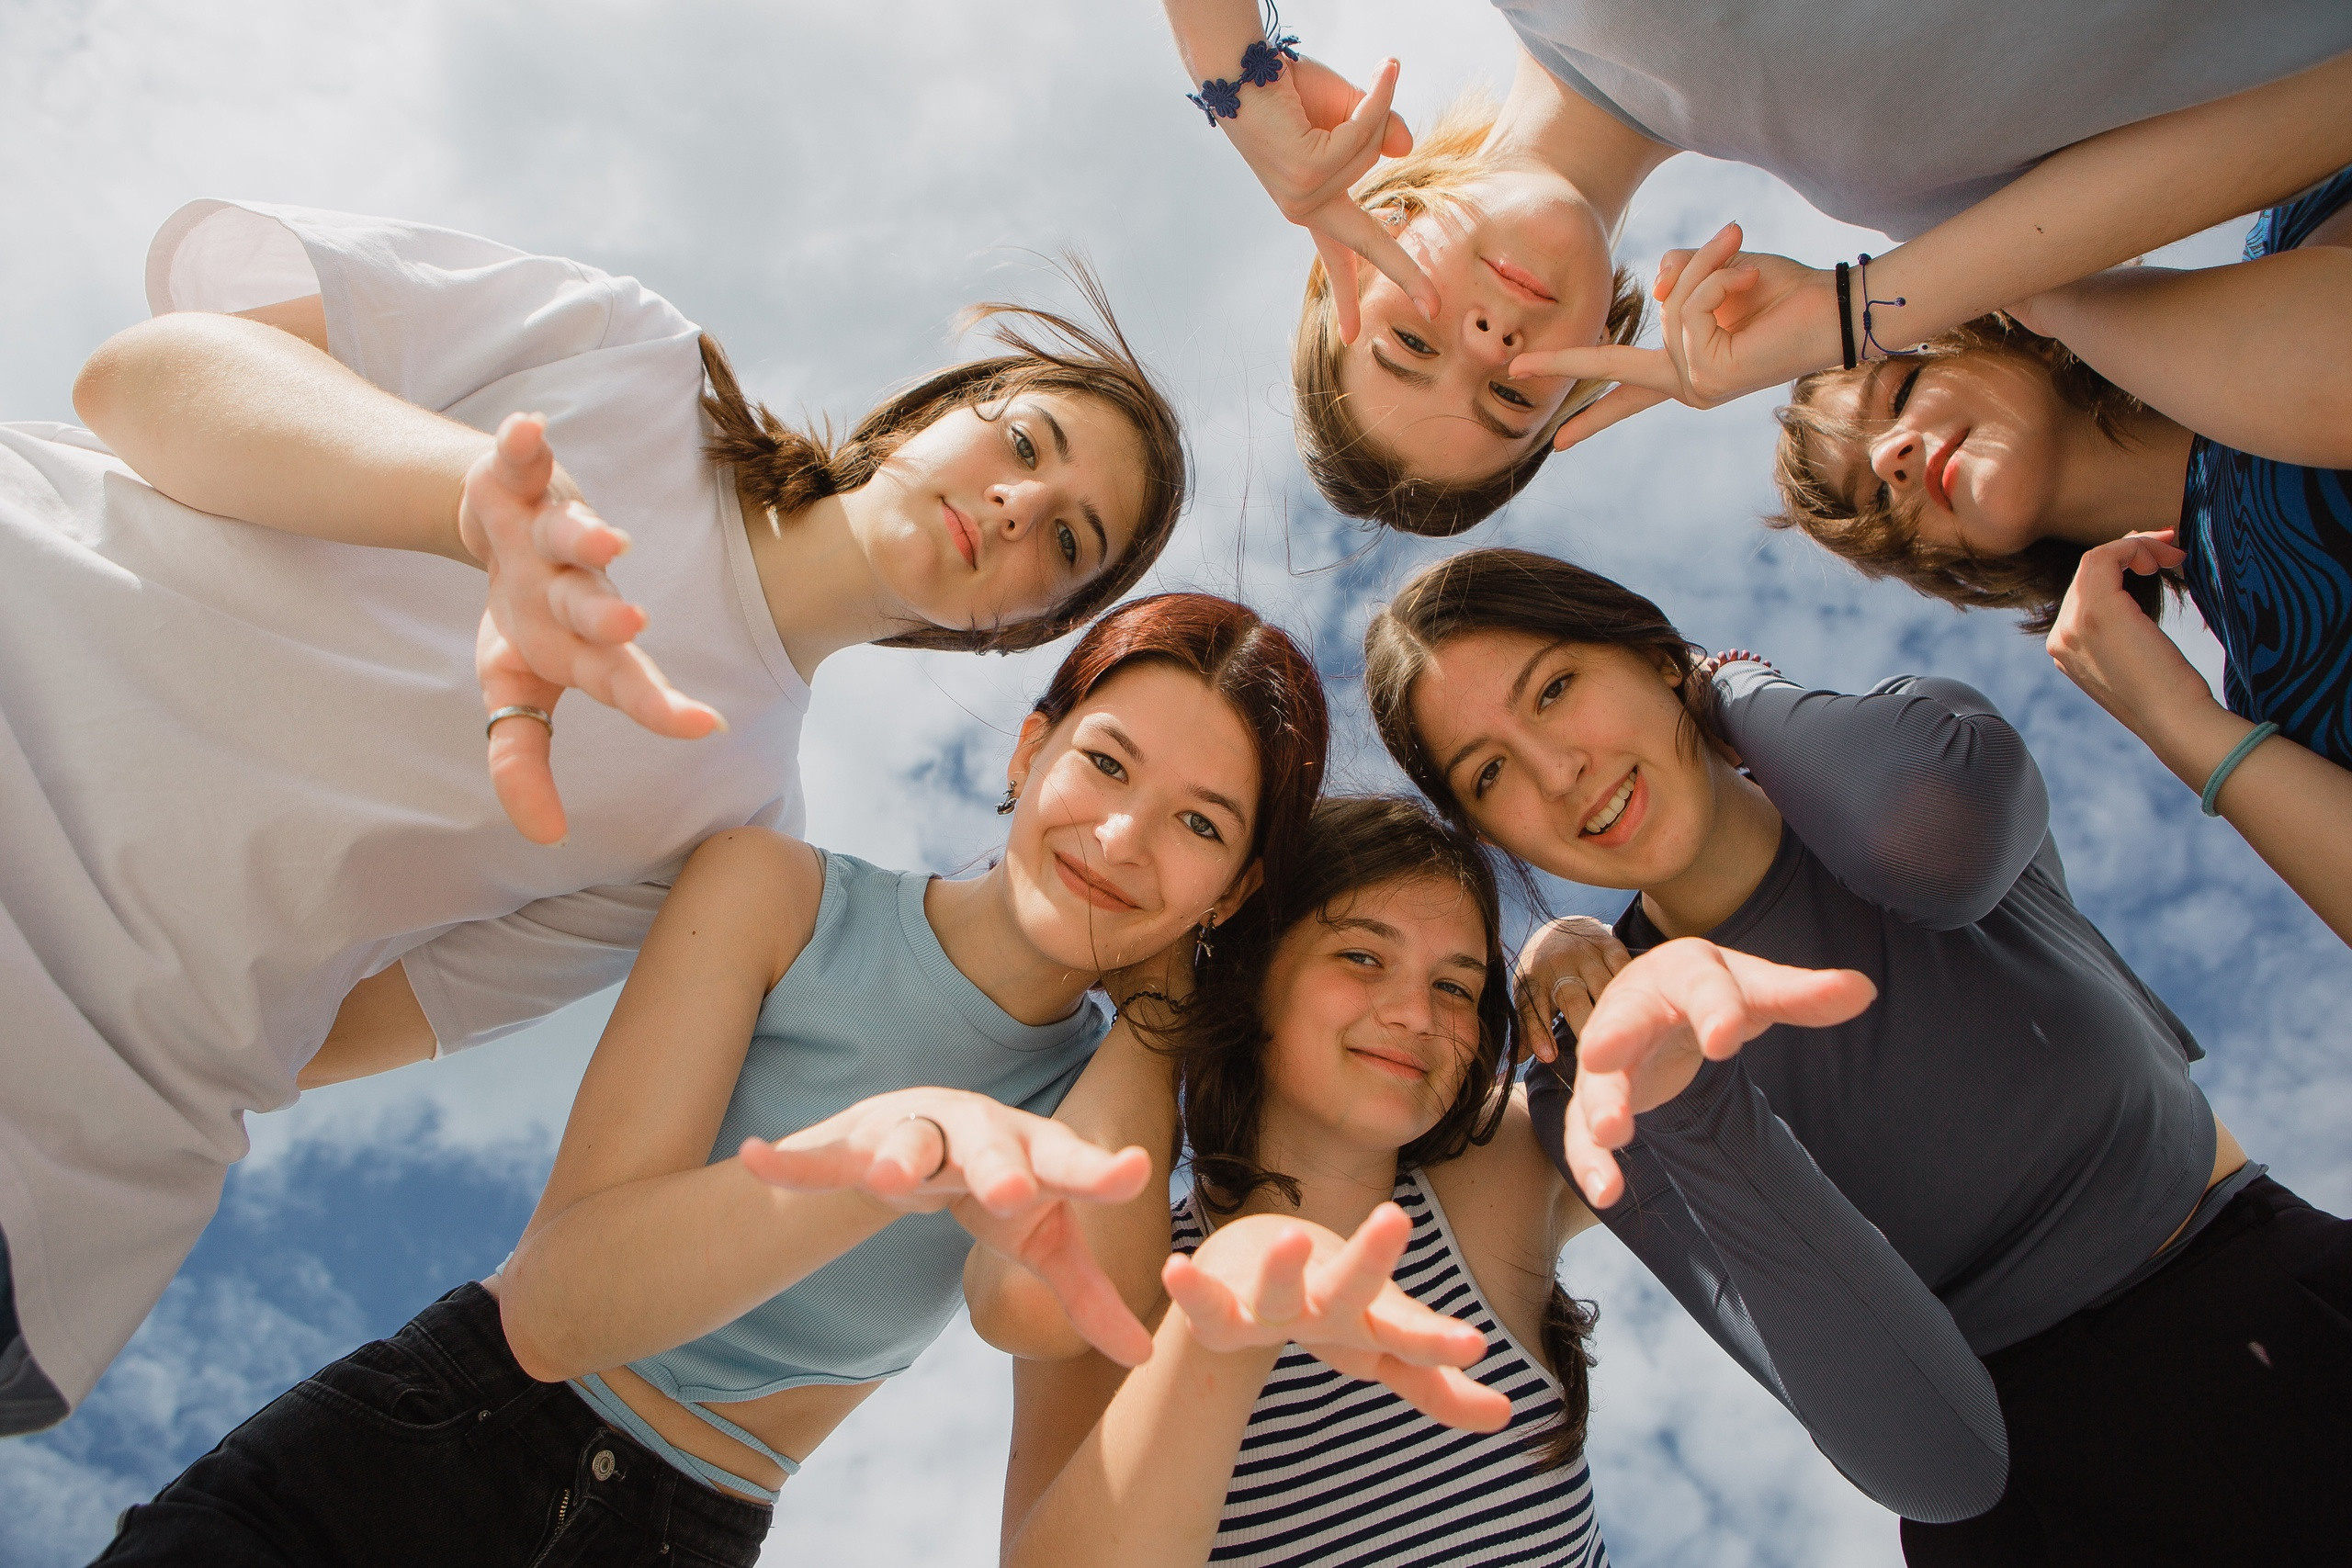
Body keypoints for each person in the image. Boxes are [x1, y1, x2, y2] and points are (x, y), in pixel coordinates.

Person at [0, 199, 1190, 1434]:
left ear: (1024, 628)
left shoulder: (734, 826)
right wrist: (467, 499)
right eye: (1023, 442)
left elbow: (351, 1026)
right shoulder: (633, 359)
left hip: (67, 1157)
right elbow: (143, 377)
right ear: (934, 409)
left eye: (1065, 537)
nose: (1015, 504)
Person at [90, 591, 1329, 1565]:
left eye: (1202, 824)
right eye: (1107, 763)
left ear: (1236, 889)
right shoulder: (777, 896)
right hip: (426, 1445)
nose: (1122, 838)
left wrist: (1173, 1000)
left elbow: (1041, 1309)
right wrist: (906, 1140)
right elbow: (559, 1307)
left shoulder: (1099, 1101)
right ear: (1033, 743)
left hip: (689, 1530)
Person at [1363, 547, 2352, 1564]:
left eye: (1557, 689)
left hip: (2281, 1295)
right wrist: (1683, 1094)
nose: (1555, 771)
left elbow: (1929, 844)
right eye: (1487, 775)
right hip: (2042, 1513)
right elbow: (1928, 1459)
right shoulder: (1597, 1074)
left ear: (1659, 657)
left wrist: (1731, 685)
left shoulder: (1899, 754)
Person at [978, 796, 2009, 1568]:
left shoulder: (1493, 1177)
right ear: (1254, 977)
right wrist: (1220, 1332)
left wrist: (1569, 956)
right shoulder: (1128, 1273)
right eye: (1361, 957)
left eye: (1455, 985)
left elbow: (1622, 1061)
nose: (1416, 1015)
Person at [1153, 0, 2352, 533]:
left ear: (1345, 250)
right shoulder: (1921, 206)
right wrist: (1863, 309)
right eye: (1513, 398)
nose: (1485, 348)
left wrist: (1238, 76)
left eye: (1408, 340)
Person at [1771, 166, 2352, 945]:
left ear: (1979, 328)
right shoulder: (2280, 686)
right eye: (1876, 505)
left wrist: (2049, 288)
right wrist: (2185, 729)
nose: (1889, 460)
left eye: (1901, 393)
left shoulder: (2299, 226)